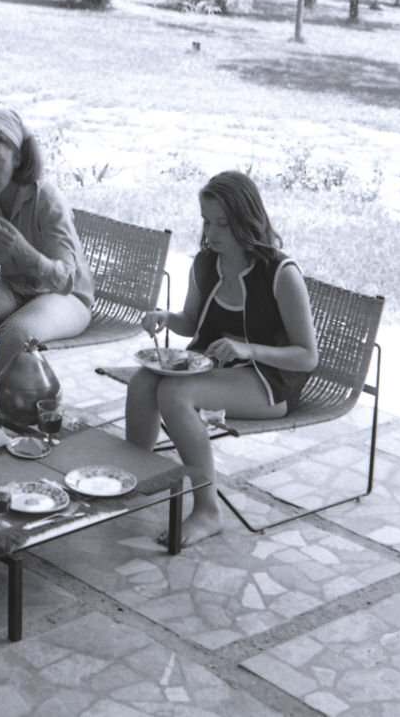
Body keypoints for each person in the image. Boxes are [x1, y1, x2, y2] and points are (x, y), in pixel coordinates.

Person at [126, 171, 319, 546]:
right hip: (218, 372)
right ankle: (136, 479)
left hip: (269, 383)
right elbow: (190, 322)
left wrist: (250, 350)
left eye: (223, 224)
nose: (211, 233)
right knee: (143, 381)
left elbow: (307, 357)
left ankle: (207, 511)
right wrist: (165, 317)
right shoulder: (206, 263)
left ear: (248, 222)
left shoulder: (280, 273)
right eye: (206, 221)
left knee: (175, 394)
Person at [0, 108, 94, 375]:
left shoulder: (46, 199)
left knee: (17, 332)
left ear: (17, 158)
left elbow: (65, 280)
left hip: (66, 297)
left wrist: (25, 253)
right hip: (14, 288)